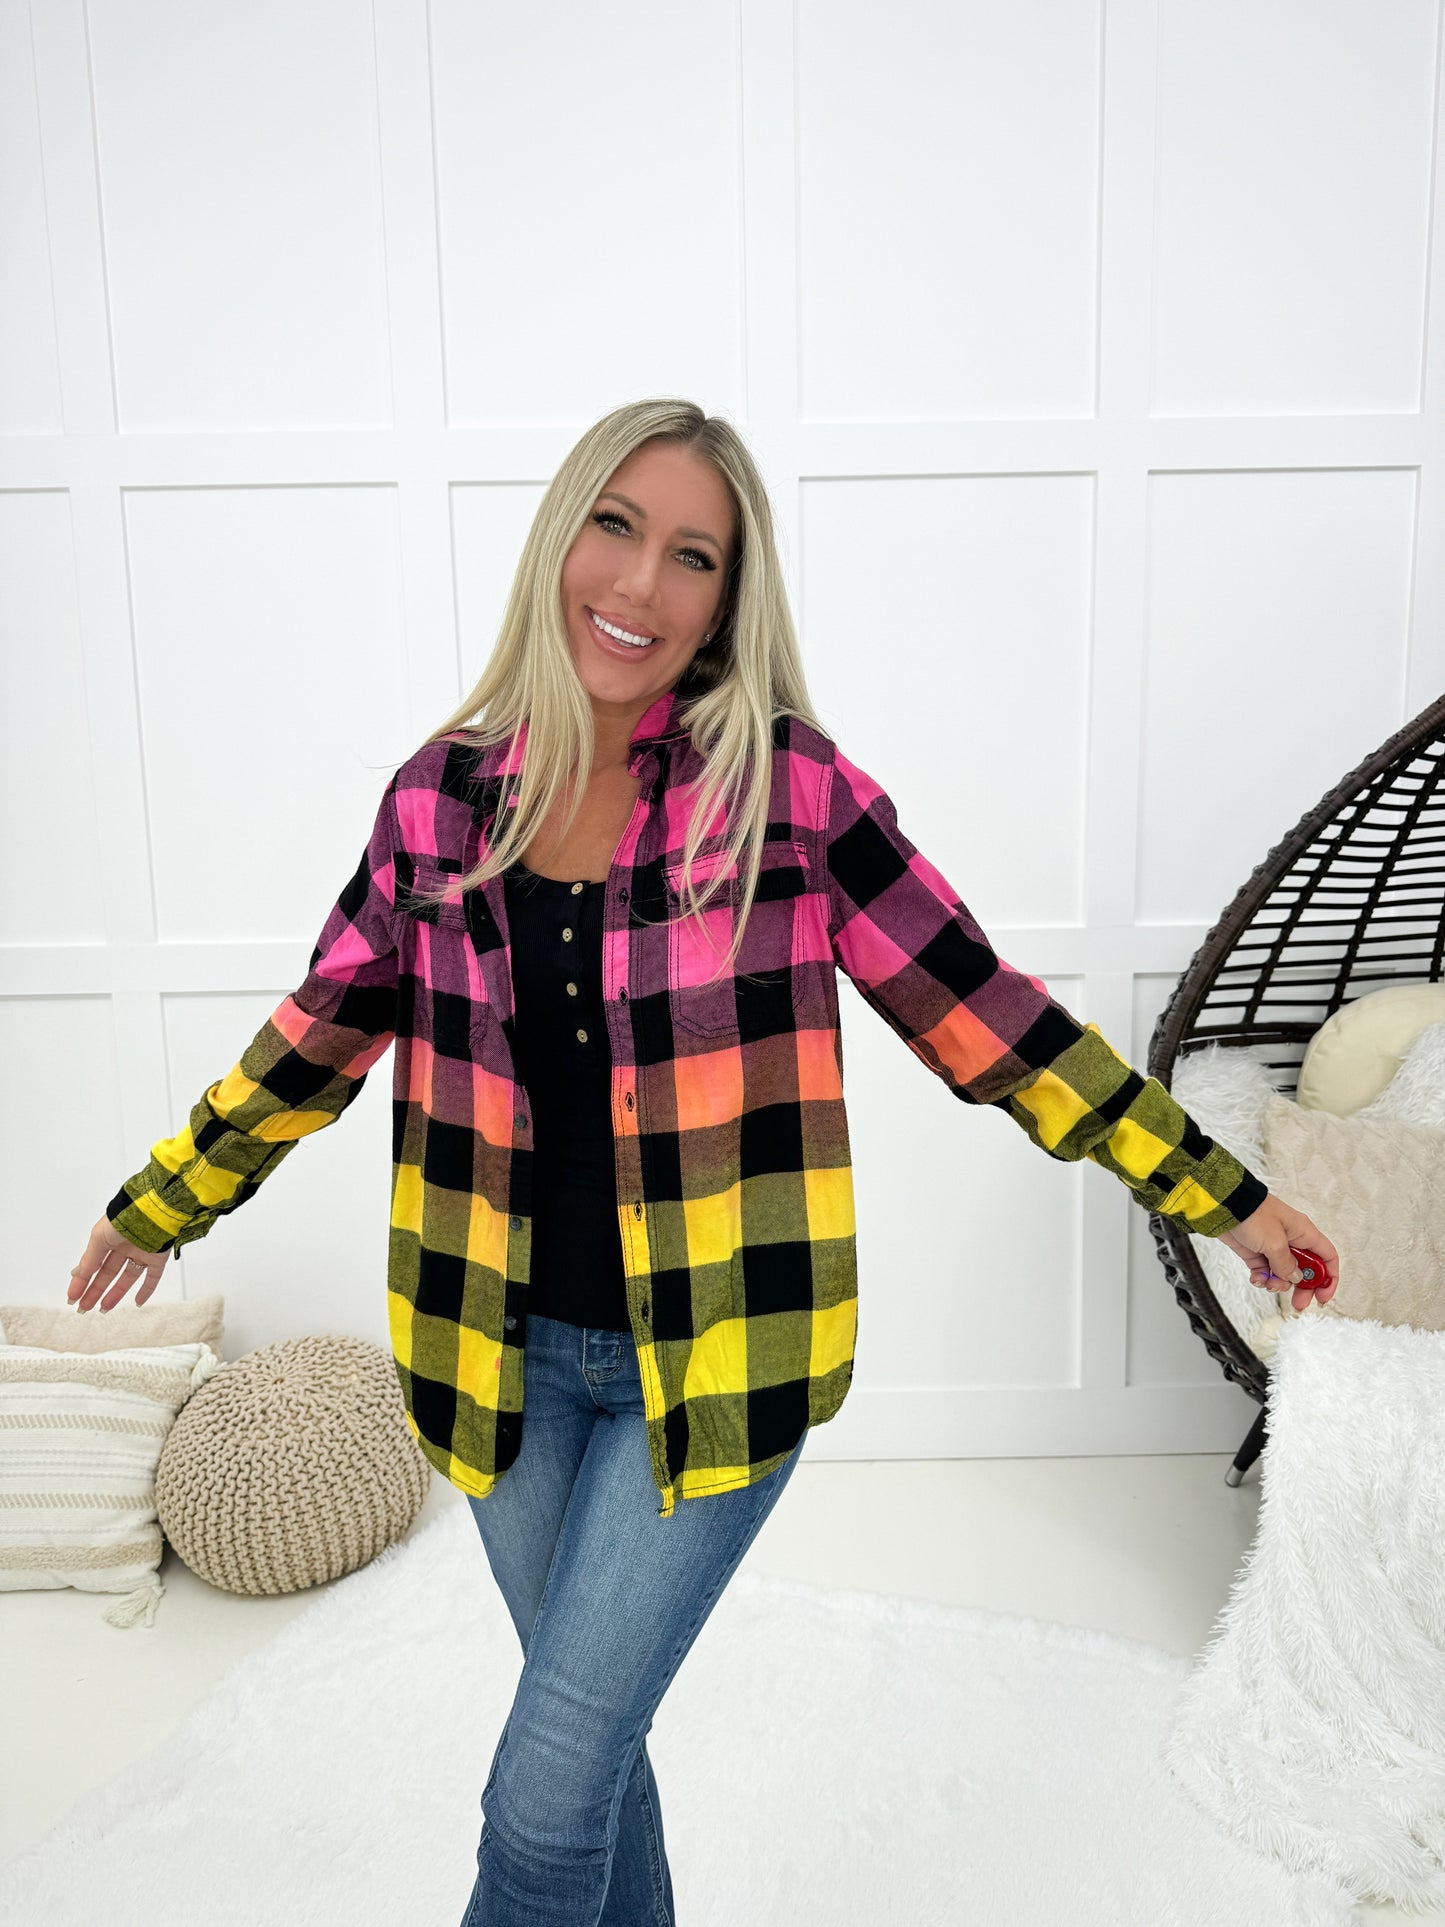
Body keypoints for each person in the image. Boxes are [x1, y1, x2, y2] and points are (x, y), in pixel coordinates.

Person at [65, 398, 1339, 1926]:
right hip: (494, 1358)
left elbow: (988, 1016)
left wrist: (1220, 1191)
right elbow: (321, 1028)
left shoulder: (785, 796)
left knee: (541, 1802)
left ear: (730, 599)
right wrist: (166, 1200)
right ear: (559, 540)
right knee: (589, 1760)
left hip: (724, 1356)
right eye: (614, 527)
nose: (641, 583)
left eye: (692, 555)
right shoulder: (438, 799)